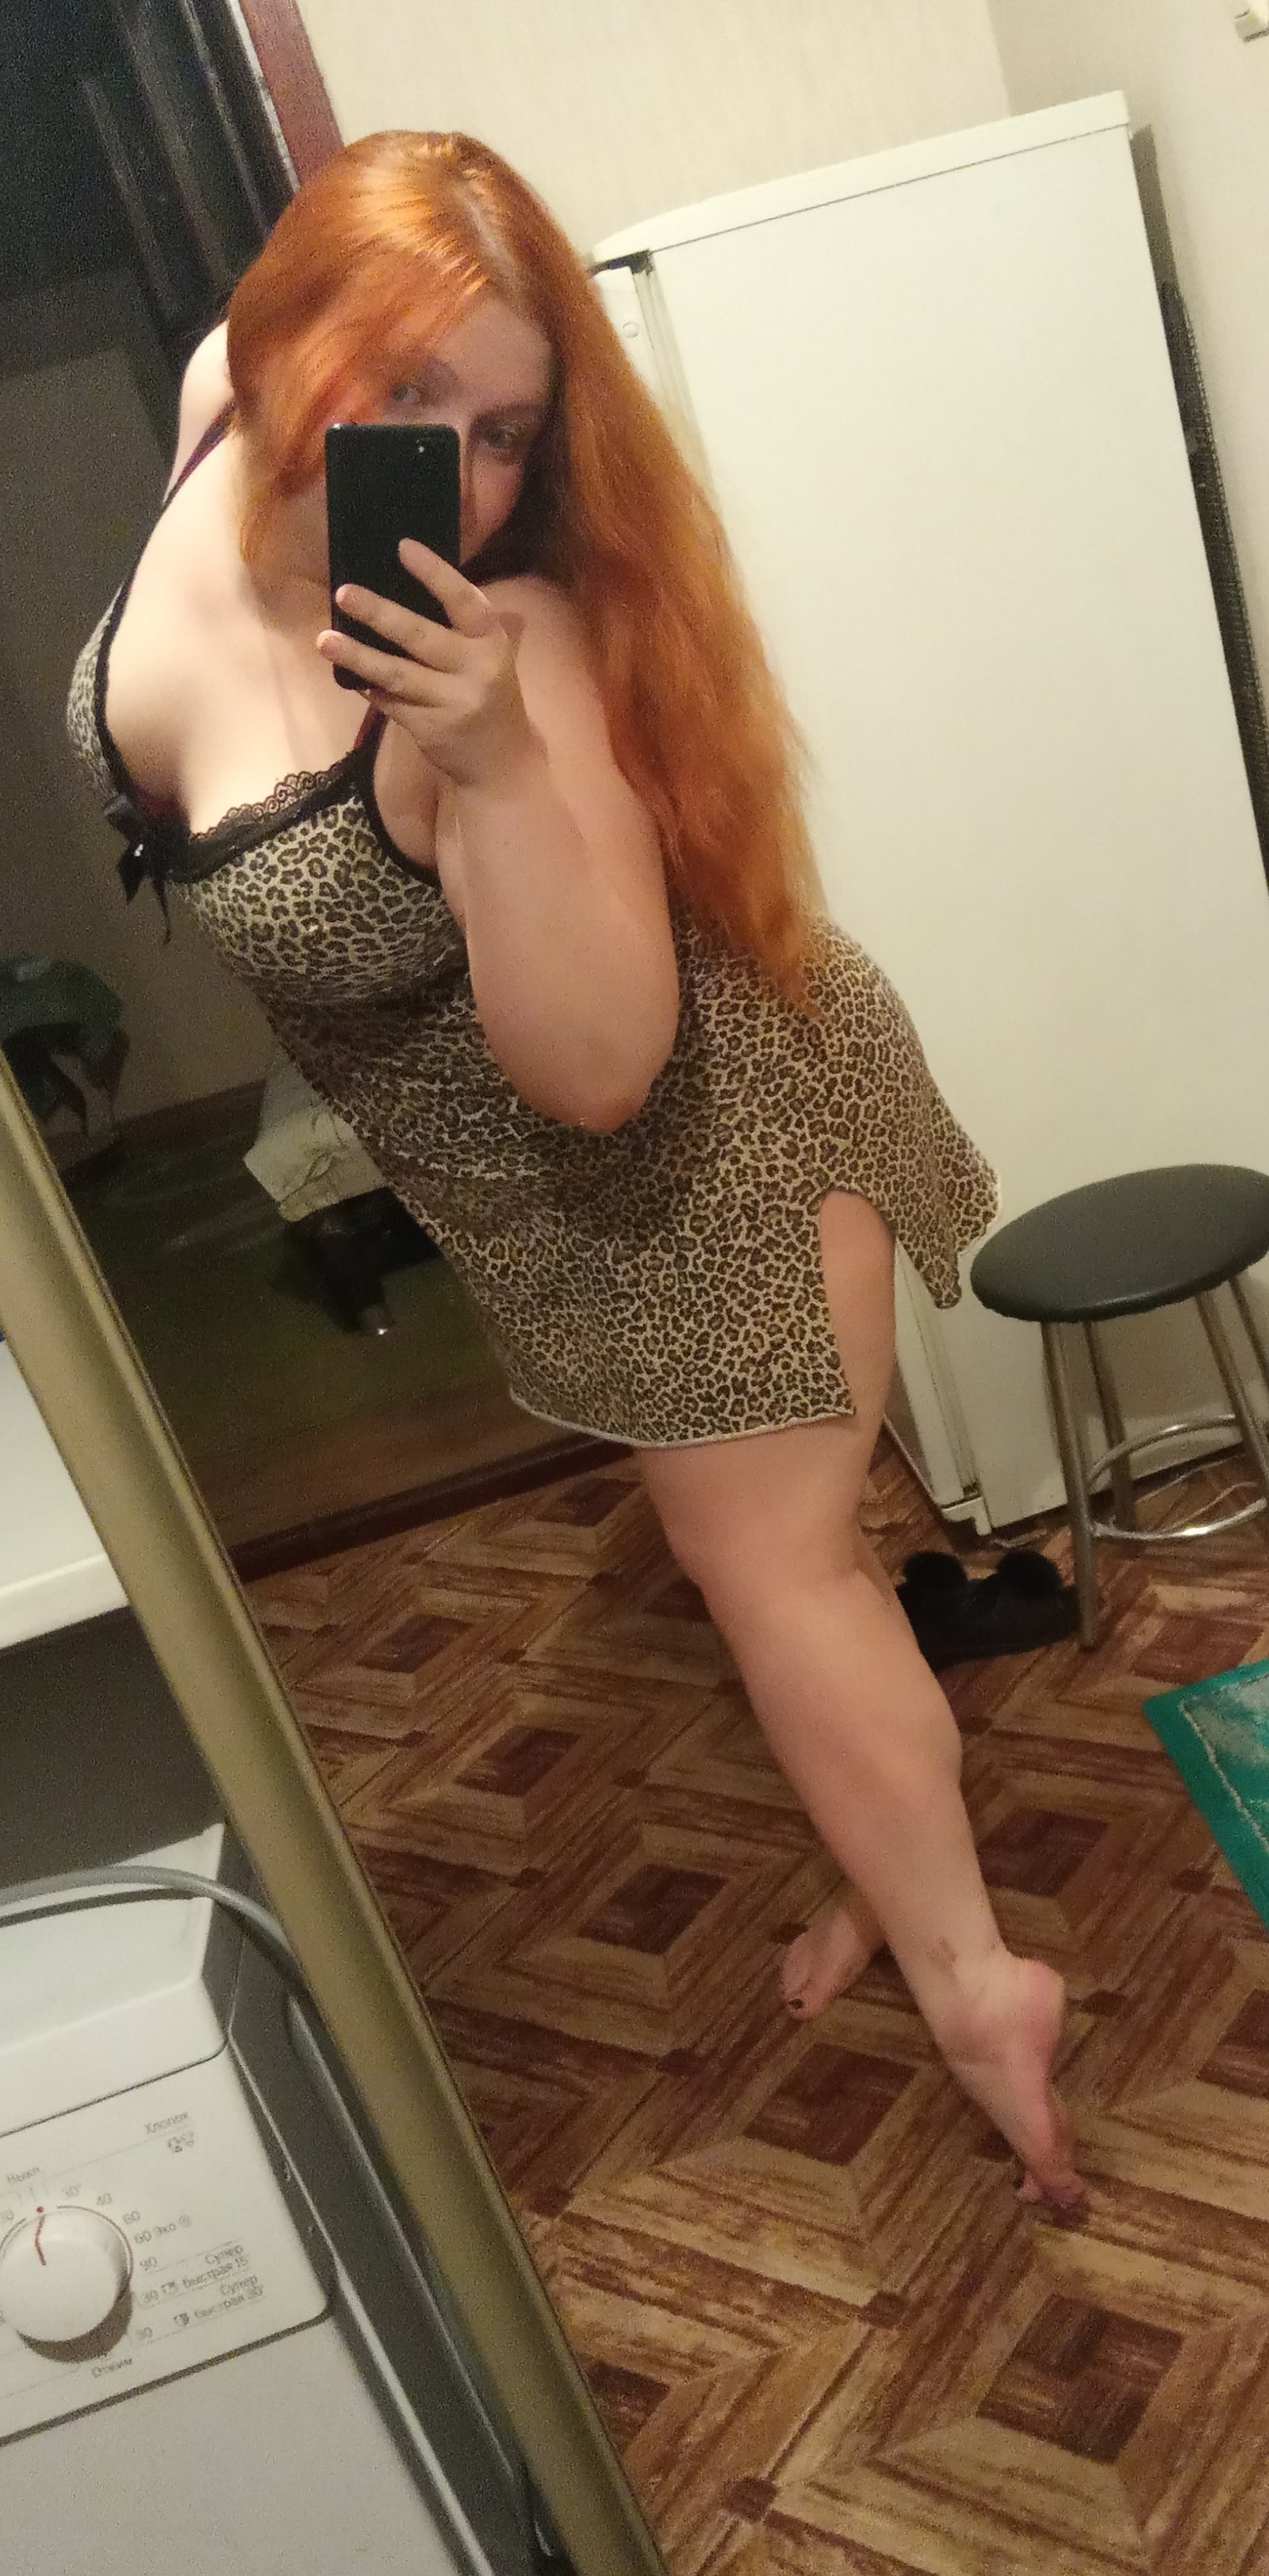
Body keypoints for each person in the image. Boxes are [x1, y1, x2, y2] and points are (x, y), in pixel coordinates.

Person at [67, 130, 1081, 2209]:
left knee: (777, 1576)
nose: (449, 466)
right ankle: (892, 1844)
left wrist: (499, 758)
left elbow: (607, 1068)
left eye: (505, 428)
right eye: (402, 387)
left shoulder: (505, 649)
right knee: (780, 1550)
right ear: (272, 337)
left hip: (716, 1142)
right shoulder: (208, 407)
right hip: (535, 1212)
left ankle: (986, 1981)